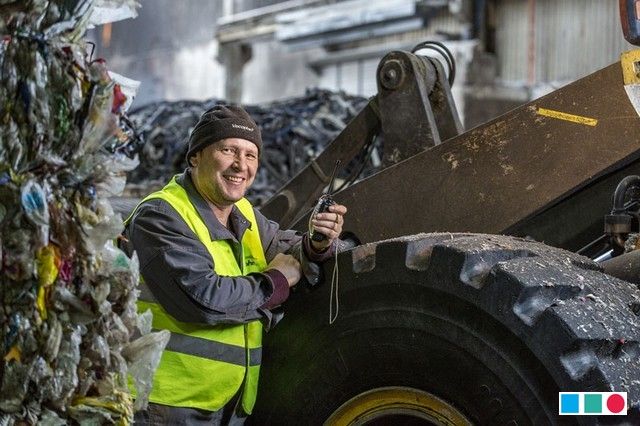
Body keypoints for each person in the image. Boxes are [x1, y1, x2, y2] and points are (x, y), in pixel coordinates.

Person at [120, 104, 347, 425]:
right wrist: (275, 282)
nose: (241, 165)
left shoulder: (245, 215)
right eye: (228, 150)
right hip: (162, 406)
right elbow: (202, 299)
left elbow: (290, 251)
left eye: (250, 155)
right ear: (195, 156)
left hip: (227, 407)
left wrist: (316, 243)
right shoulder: (161, 215)